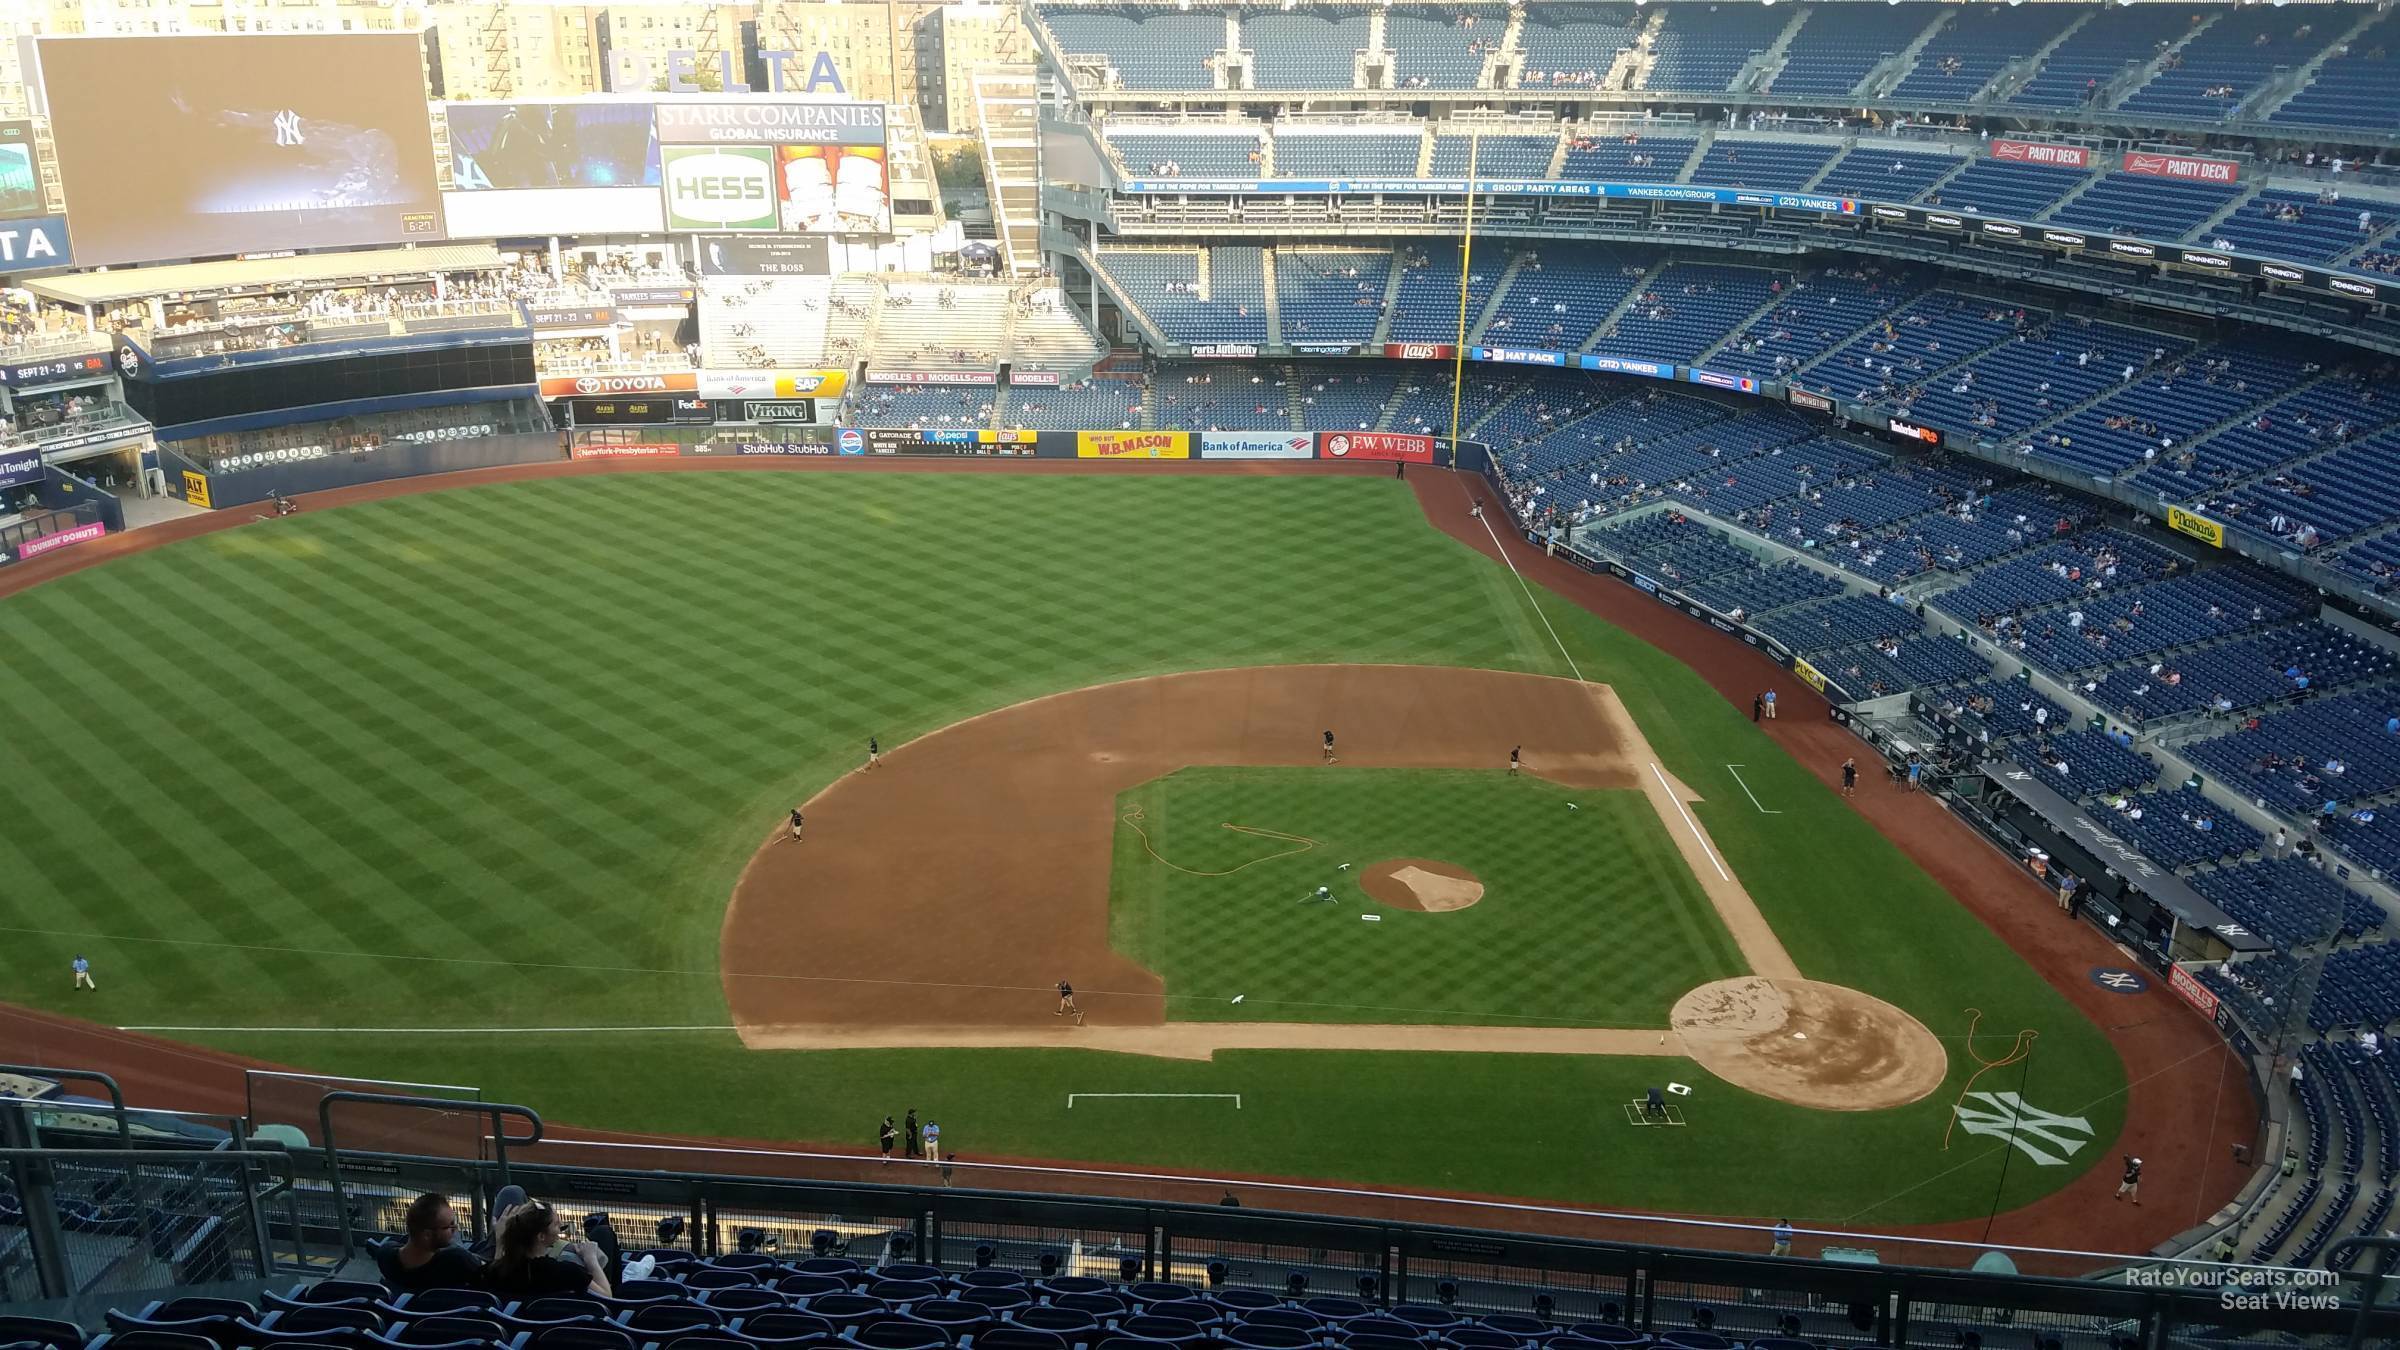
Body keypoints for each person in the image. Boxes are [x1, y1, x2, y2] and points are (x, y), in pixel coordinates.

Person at [483, 1201, 612, 1298]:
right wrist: (591, 1260)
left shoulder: (494, 1272)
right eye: (556, 1224)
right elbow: (607, 1297)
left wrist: (500, 1242)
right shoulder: (567, 1271)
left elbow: (498, 1270)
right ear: (541, 1236)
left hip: (522, 1330)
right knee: (604, 1233)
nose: (561, 1226)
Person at [387, 1193, 484, 1293]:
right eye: (449, 1226)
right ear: (427, 1235)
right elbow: (494, 1278)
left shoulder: (386, 1255)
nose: (455, 1229)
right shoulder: (456, 1258)